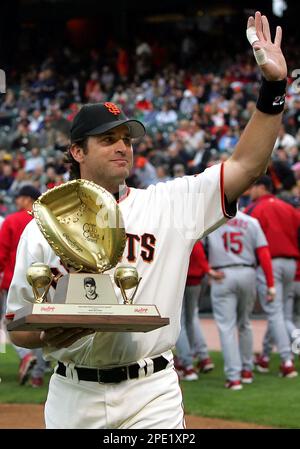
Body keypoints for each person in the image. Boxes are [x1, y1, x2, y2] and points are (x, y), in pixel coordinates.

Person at [7, 12, 289, 428]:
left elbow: (247, 164)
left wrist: (274, 90)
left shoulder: (170, 202)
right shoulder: (43, 225)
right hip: (72, 393)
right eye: (108, 140)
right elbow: (18, 325)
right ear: (77, 152)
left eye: (127, 139)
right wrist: (52, 334)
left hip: (150, 392)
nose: (122, 147)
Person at [207, 210, 275, 390]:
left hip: (222, 274)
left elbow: (195, 247)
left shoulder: (212, 219)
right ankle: (247, 370)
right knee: (245, 323)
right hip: (247, 272)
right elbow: (264, 253)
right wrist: (270, 284)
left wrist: (207, 269)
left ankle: (234, 377)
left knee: (227, 327)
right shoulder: (251, 221)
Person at [245, 175, 300, 377]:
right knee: (277, 312)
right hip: (291, 264)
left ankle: (287, 361)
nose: (250, 191)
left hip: (270, 264)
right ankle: (266, 356)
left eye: (253, 187)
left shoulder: (254, 209)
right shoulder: (288, 208)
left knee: (275, 312)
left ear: (262, 187)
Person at [0, 185, 47, 387]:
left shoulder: (12, 220)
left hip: (15, 281)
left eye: (19, 198)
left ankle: (25, 355)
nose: (17, 201)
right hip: (45, 282)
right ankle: (37, 376)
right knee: (41, 328)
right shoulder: (47, 219)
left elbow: (2, 253)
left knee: (11, 324)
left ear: (27, 199)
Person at [175, 241, 222, 381]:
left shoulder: (180, 231)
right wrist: (207, 270)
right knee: (191, 319)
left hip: (182, 280)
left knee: (180, 322)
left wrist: (207, 270)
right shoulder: (192, 229)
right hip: (196, 279)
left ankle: (187, 365)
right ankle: (202, 356)